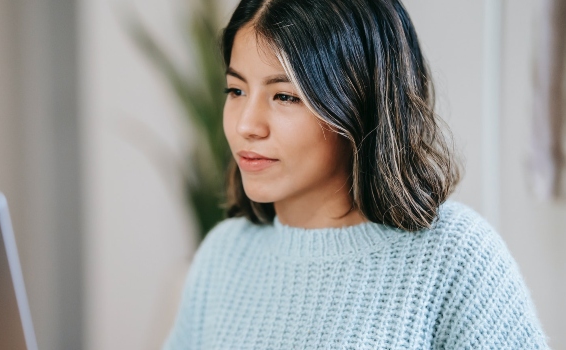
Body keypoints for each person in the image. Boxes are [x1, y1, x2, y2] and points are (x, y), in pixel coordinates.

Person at [161, 0, 550, 348]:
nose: (247, 124)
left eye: (284, 96)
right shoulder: (223, 255)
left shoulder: (453, 257)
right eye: (236, 90)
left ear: (359, 104)